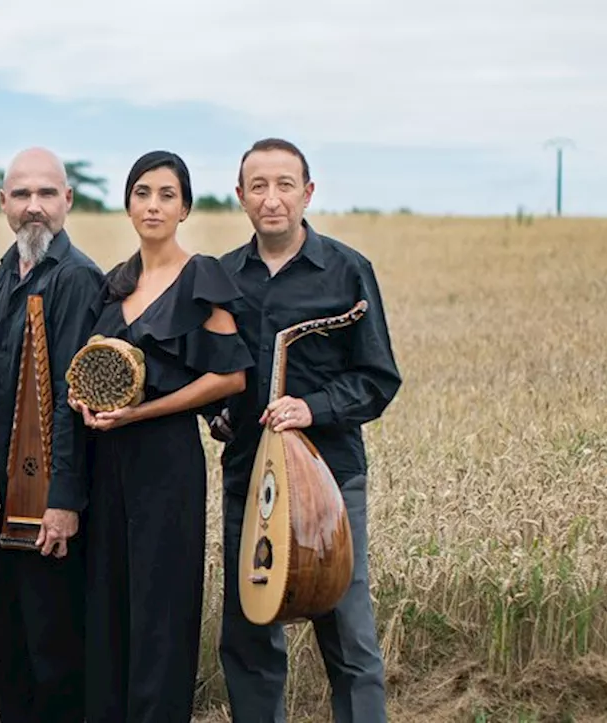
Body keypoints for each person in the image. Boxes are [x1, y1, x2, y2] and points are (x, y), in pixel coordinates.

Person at [211, 137, 402, 723]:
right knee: (249, 633)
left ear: (308, 193)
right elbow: (214, 374)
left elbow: (377, 380)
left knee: (347, 635)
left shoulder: (347, 271)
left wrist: (311, 407)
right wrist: (216, 413)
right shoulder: (220, 277)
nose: (272, 199)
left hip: (331, 483)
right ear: (241, 197)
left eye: (285, 185)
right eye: (259, 186)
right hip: (250, 479)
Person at [70, 150, 252, 723]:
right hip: (108, 460)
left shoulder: (202, 276)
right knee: (108, 602)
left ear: (185, 207)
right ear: (127, 205)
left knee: (160, 605)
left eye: (166, 195)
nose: (153, 205)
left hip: (167, 459)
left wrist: (141, 415)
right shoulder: (114, 283)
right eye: (143, 193)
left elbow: (230, 376)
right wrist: (84, 400)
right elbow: (94, 367)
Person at [0, 147, 105, 723]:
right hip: (8, 494)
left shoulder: (77, 279)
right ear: (4, 202)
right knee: (12, 647)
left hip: (48, 501)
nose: (35, 207)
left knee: (54, 651)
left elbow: (70, 399)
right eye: (23, 195)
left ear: (67, 201)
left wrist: (62, 502)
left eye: (47, 194)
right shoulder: (7, 270)